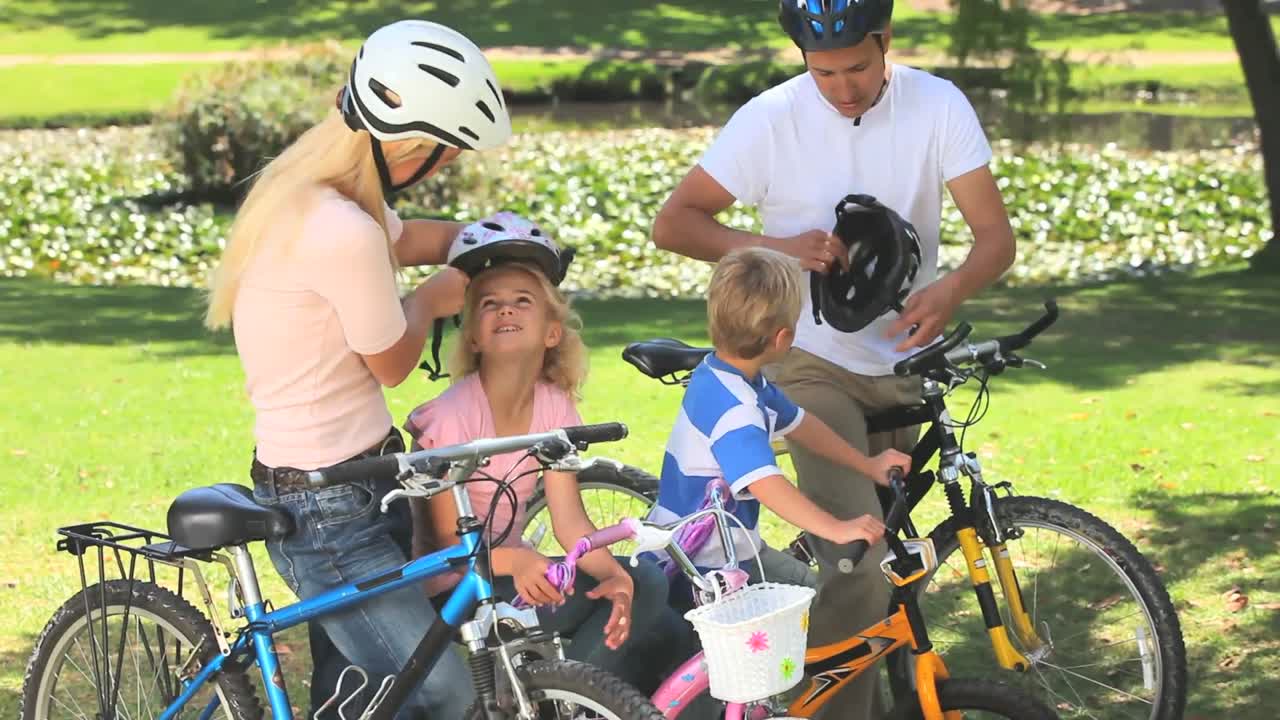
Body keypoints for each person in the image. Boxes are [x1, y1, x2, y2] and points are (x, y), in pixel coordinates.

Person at [650, 0, 1016, 715]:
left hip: (902, 366)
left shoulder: (938, 106)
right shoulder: (770, 118)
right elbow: (676, 222)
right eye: (824, 73)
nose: (843, 88)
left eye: (857, 67)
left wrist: (950, 289)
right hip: (808, 363)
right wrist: (781, 250)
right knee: (858, 556)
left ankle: (875, 704)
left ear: (886, 42)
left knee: (893, 568)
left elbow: (994, 238)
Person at [205, 19, 514, 719]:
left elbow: (419, 239)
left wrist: (494, 238)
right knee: (439, 685)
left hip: (357, 478)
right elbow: (395, 363)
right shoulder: (341, 230)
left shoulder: (321, 199)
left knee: (355, 693)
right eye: (447, 154)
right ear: (410, 147)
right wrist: (436, 298)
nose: (449, 166)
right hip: (324, 508)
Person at [405, 212, 695, 696]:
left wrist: (613, 576)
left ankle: (568, 694)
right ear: (473, 334)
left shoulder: (554, 406)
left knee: (659, 616)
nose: (506, 311)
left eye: (523, 301)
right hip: (462, 587)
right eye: (490, 304)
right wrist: (518, 560)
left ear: (552, 332)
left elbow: (571, 524)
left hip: (521, 571)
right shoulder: (450, 419)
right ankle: (550, 698)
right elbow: (443, 549)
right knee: (649, 593)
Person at [648, 247, 906, 606]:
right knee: (800, 610)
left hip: (716, 548)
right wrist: (836, 529)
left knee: (809, 596)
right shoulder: (736, 409)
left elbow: (800, 424)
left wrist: (866, 465)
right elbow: (765, 483)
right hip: (705, 567)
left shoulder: (724, 373)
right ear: (782, 338)